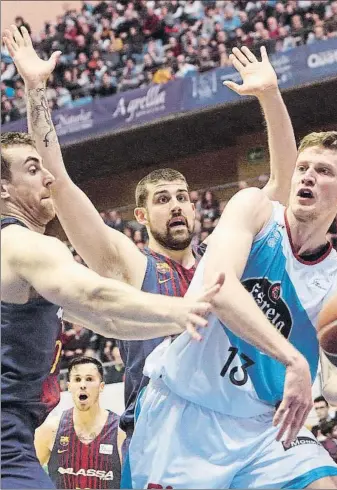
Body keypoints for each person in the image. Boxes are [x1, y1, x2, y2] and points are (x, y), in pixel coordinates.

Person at [3, 25, 296, 462]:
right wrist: (35, 89)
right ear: (141, 217)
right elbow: (56, 180)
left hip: (236, 425)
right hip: (163, 433)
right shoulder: (128, 262)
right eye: (163, 200)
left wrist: (271, 97)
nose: (176, 207)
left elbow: (281, 186)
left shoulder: (223, 255)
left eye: (182, 198)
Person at [124, 45, 337, 486]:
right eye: (303, 167)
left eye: (324, 172)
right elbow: (218, 286)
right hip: (185, 411)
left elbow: (331, 378)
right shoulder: (253, 210)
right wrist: (292, 359)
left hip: (263, 429)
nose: (307, 176)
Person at [0, 129, 221, 490]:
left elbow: (111, 321)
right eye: (33, 169)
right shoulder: (26, 245)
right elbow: (97, 296)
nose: (48, 177)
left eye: (183, 197)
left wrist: (181, 323)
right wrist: (185, 311)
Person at [35, 356, 124, 489]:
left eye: (89, 379)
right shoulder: (50, 429)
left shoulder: (120, 431)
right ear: (69, 386)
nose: (83, 385)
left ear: (101, 386)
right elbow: (25, 474)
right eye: (77, 379)